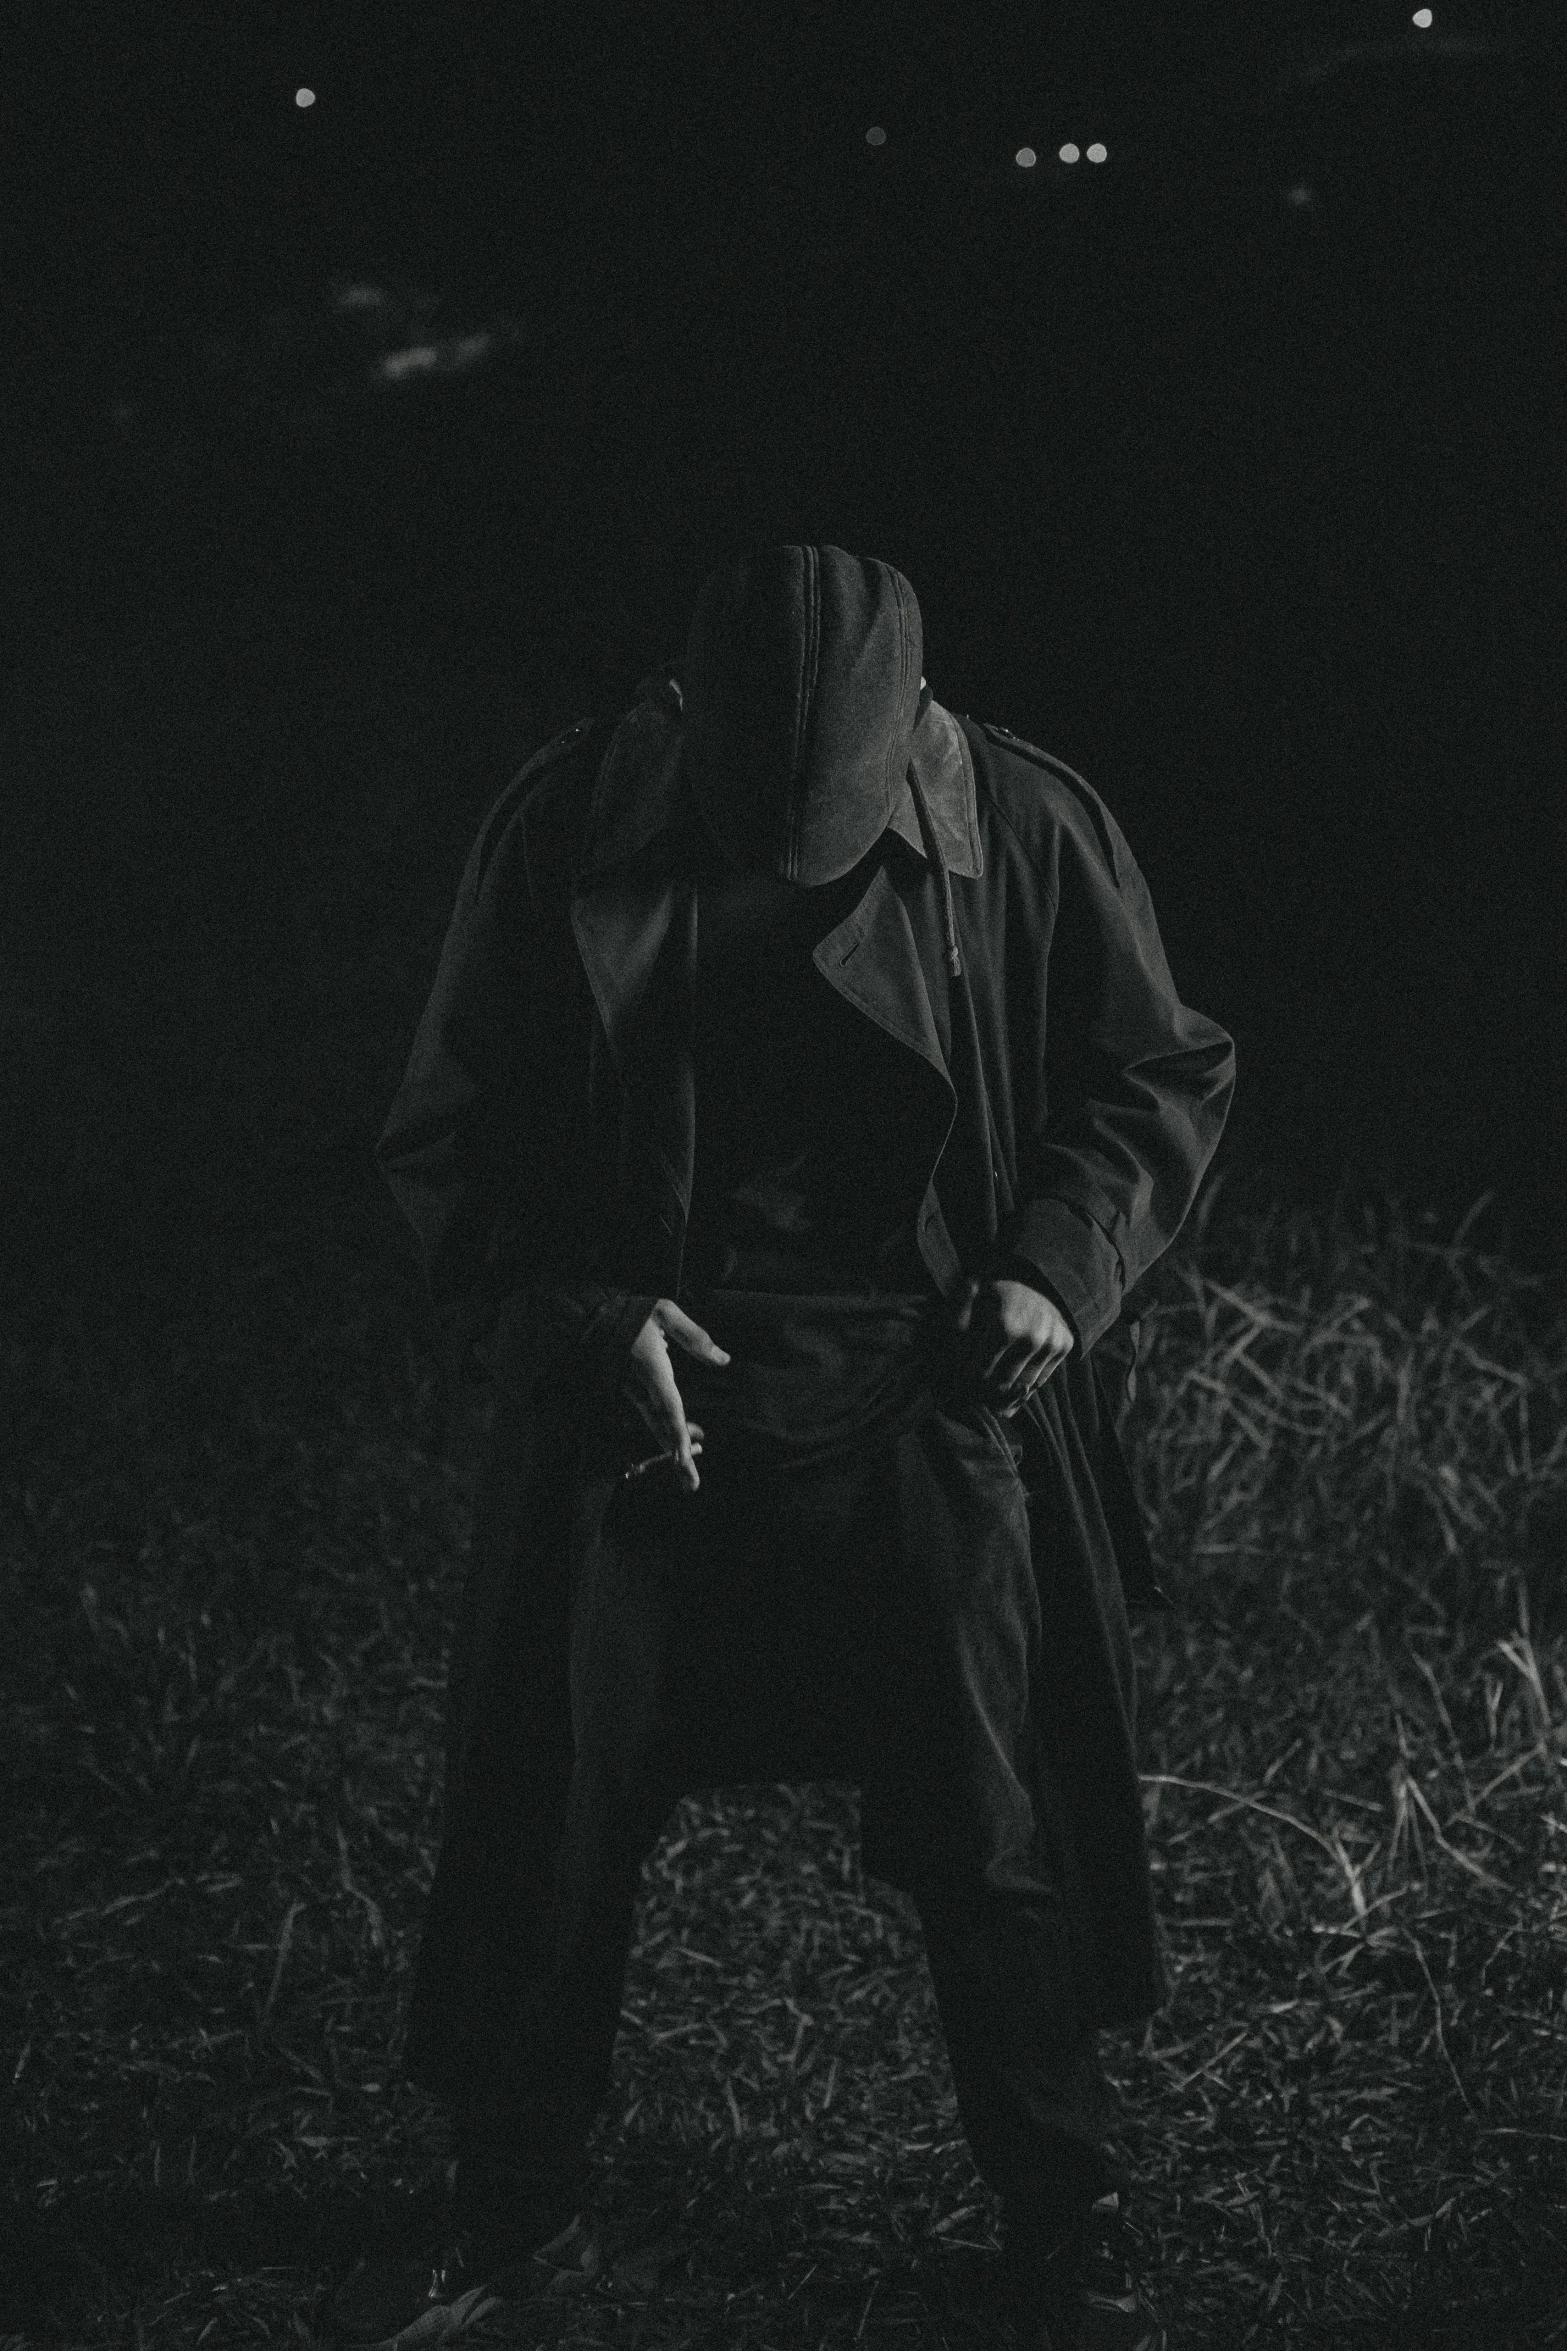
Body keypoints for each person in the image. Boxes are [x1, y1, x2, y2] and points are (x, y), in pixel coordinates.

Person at [334, 542, 1235, 2351]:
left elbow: (1158, 1072)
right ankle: (510, 2206)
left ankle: (1061, 2219)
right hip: (641, 1394)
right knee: (558, 1807)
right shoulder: (565, 821)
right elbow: (448, 1133)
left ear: (914, 732)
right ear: (684, 721)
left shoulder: (1027, 823)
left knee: (994, 1820)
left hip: (926, 1395)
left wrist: (1057, 1270)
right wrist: (586, 1316)